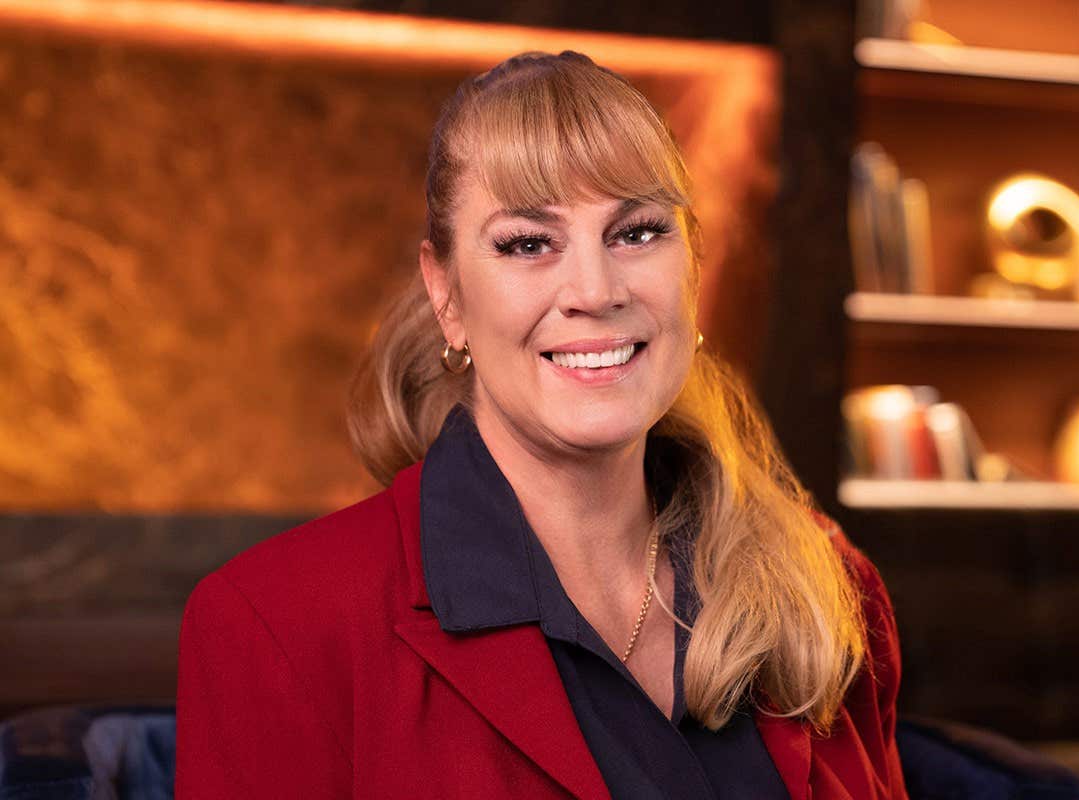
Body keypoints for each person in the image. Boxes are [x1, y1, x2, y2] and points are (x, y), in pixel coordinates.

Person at [175, 50, 909, 799]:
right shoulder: (274, 623)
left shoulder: (826, 583)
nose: (594, 290)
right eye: (528, 243)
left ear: (691, 268)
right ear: (447, 295)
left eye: (637, 232)